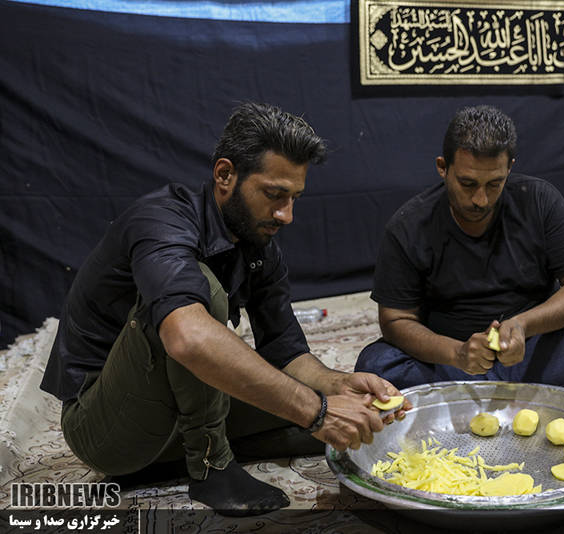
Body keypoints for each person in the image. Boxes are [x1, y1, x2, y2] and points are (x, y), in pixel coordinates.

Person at [40, 102, 409, 516]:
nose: (286, 215)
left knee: (333, 424)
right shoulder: (161, 220)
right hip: (103, 426)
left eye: (294, 198)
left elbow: (286, 351)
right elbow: (188, 337)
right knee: (202, 299)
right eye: (274, 195)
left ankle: (164, 463)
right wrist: (317, 412)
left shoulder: (258, 244)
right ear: (225, 175)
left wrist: (335, 387)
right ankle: (211, 466)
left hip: (170, 412)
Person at [355, 105, 564, 391]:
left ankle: (474, 393)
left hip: (530, 346)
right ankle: (519, 390)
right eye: (467, 183)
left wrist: (523, 325)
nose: (481, 200)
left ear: (509, 168)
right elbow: (396, 319)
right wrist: (457, 354)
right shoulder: (407, 226)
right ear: (442, 168)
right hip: (451, 355)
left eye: (495, 183)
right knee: (375, 364)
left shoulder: (539, 200)